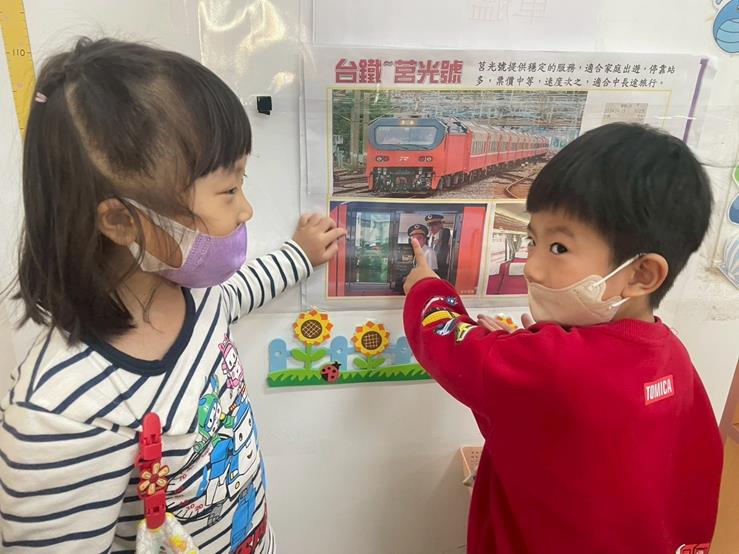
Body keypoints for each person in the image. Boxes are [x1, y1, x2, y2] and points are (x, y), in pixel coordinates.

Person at [0, 38, 345, 552]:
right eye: (228, 191)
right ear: (121, 221)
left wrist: (299, 254)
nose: (246, 209)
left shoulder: (193, 294)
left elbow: (237, 294)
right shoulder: (60, 414)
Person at [402, 123, 722, 553]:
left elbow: (446, 343)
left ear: (641, 274)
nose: (532, 268)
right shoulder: (672, 355)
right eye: (532, 240)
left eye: (558, 249)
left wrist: (426, 287)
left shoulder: (553, 364)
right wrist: (524, 355)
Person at [425, 213, 451, 279]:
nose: (431, 228)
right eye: (429, 225)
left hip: (441, 270)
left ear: (440, 224)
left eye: (434, 224)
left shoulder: (446, 237)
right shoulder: (430, 238)